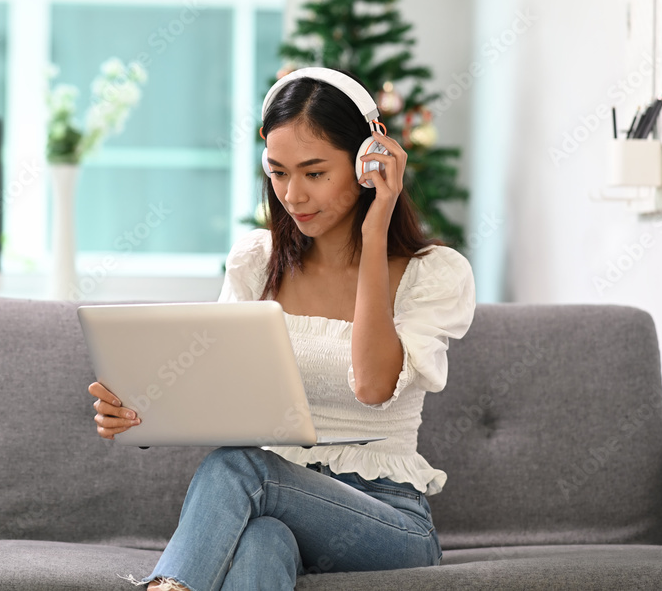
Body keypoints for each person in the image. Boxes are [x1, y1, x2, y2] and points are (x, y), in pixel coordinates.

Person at [88, 67, 476, 591]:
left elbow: (372, 385)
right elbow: (222, 394)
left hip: (388, 520)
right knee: (264, 540)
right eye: (278, 173)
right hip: (276, 508)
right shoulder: (257, 260)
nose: (292, 196)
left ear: (369, 163)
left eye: (314, 173)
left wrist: (376, 226)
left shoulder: (432, 274)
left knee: (239, 467)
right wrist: (144, 412)